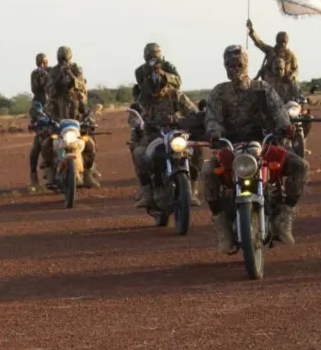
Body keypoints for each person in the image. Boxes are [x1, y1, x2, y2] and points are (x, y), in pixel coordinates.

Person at [202, 45, 308, 253]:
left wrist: (284, 126)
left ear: (246, 64)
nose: (235, 68)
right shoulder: (219, 92)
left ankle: (284, 217)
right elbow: (212, 118)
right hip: (230, 147)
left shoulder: (262, 88)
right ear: (225, 66)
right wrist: (214, 133)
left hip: (263, 145)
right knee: (208, 172)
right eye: (231, 64)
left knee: (300, 166)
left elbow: (278, 110)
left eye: (239, 63)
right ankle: (223, 228)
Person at [132, 43, 202, 207]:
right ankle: (147, 192)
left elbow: (193, 111)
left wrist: (190, 119)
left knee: (197, 149)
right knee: (139, 153)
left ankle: (192, 189)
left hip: (176, 133)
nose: (156, 84)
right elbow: (138, 117)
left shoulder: (175, 95)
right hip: (153, 135)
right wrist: (139, 122)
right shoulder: (144, 99)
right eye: (152, 81)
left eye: (160, 80)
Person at [40, 46, 99, 189]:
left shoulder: (76, 70)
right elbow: (50, 90)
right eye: (61, 56)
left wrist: (70, 74)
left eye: (65, 56)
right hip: (58, 118)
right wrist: (59, 76)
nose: (63, 59)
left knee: (90, 143)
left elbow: (81, 85)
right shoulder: (53, 71)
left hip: (76, 118)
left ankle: (88, 173)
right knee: (47, 144)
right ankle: (51, 173)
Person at [28, 53, 49, 189]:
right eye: (41, 61)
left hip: (54, 108)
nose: (43, 63)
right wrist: (42, 76)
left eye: (44, 61)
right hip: (40, 109)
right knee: (37, 144)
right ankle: (33, 174)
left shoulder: (53, 71)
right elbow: (35, 89)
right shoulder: (35, 74)